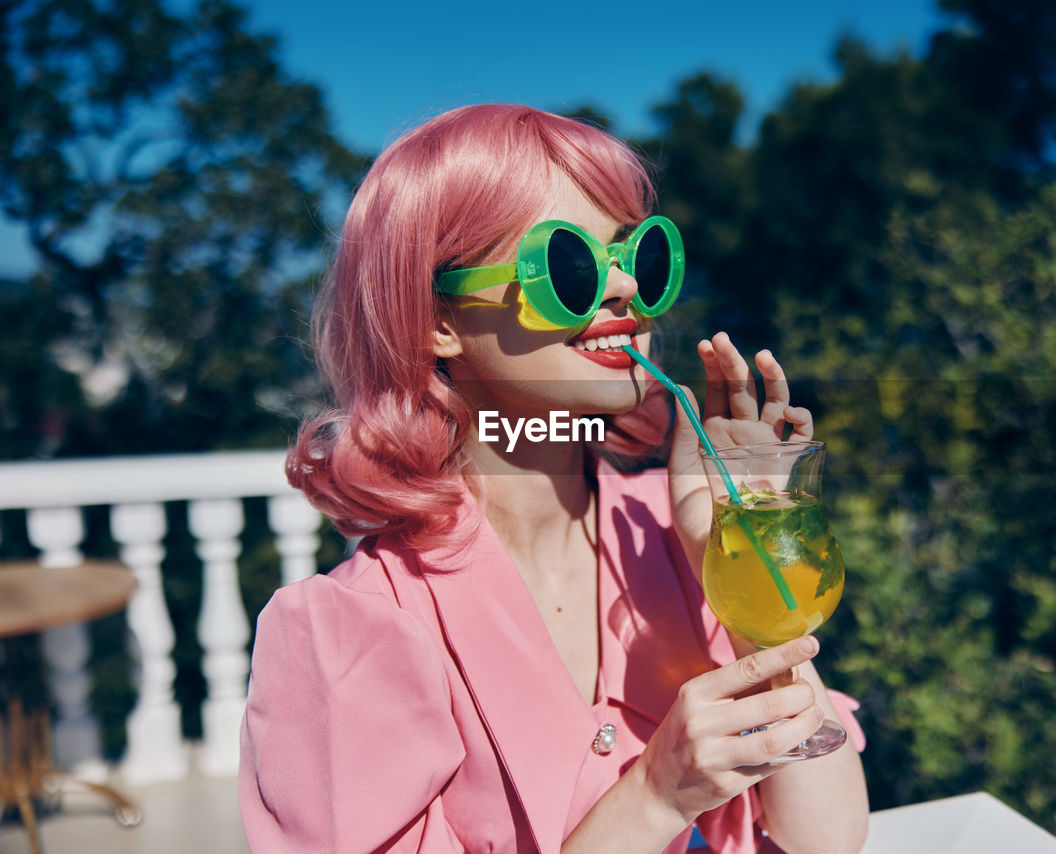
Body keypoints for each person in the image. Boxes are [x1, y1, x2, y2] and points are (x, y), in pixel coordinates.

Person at [238, 104, 869, 853]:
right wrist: (657, 794)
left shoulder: (675, 534)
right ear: (437, 320)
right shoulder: (351, 629)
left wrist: (739, 572)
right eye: (570, 266)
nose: (627, 289)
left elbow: (826, 837)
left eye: (640, 256)